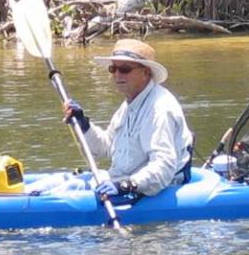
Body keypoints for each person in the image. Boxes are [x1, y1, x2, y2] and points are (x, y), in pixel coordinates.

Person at [62, 38, 194, 200]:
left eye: (124, 69)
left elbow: (164, 166)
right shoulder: (128, 106)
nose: (117, 75)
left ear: (145, 73)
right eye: (113, 68)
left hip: (150, 190)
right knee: (56, 183)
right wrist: (83, 124)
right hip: (120, 181)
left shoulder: (160, 109)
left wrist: (127, 185)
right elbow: (106, 147)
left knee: (70, 188)